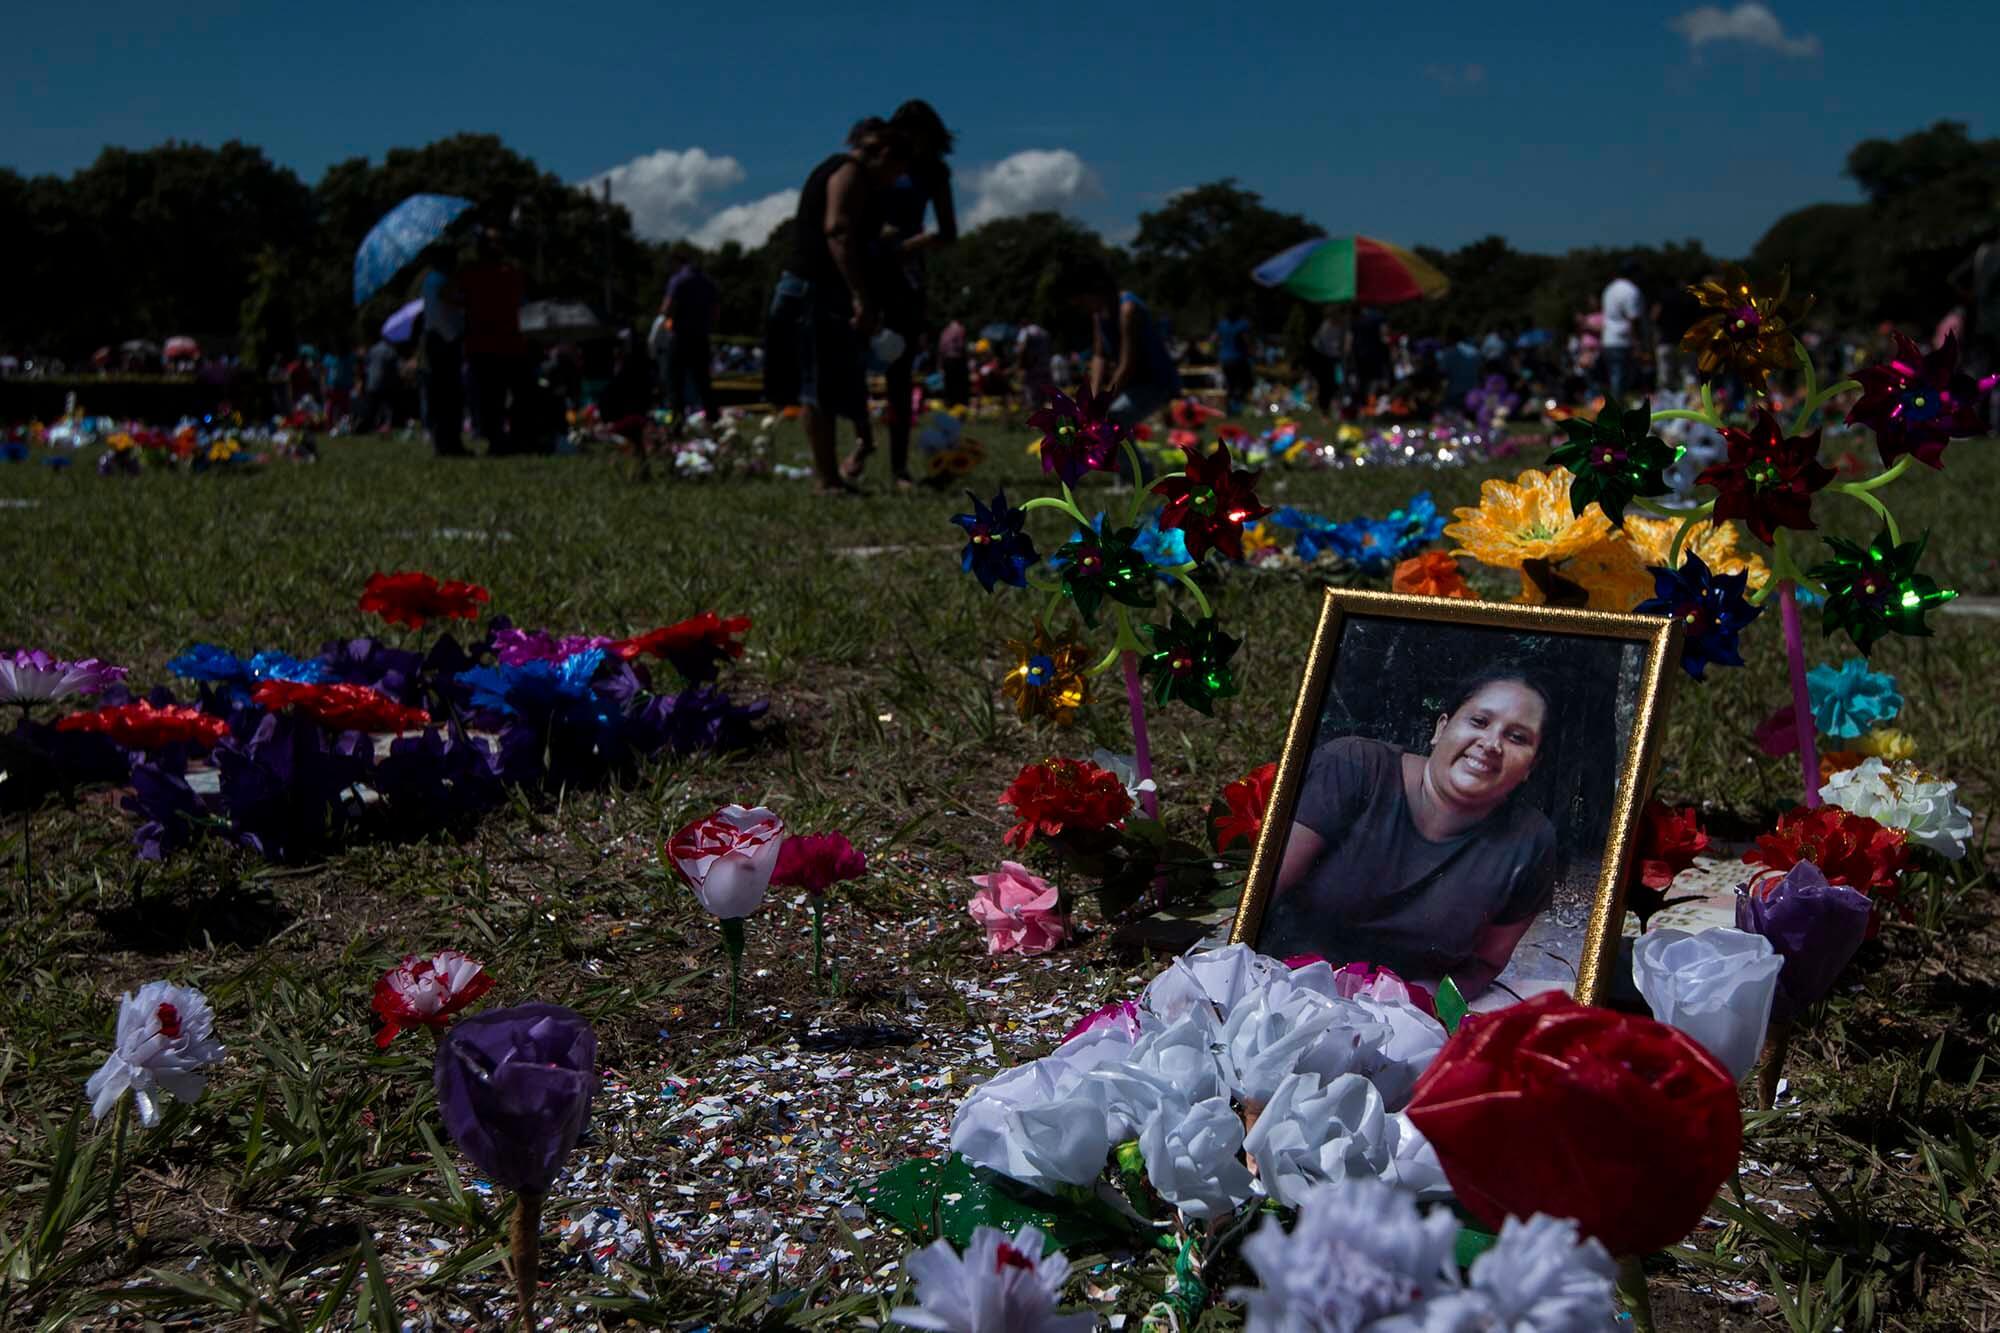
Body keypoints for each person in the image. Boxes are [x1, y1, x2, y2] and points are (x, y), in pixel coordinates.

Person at [1260, 664, 1560, 999]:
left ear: (1530, 767)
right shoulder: (1353, 769)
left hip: (1405, 1023)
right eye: (1479, 721)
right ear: (1441, 728)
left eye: (1516, 737)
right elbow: (1259, 898)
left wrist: (1416, 1005)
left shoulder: (1530, 841)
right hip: (1274, 992)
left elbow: (1483, 966)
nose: (1491, 744)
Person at [784, 117, 911, 495]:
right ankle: (826, 479)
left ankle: (830, 475)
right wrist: (861, 294)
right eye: (896, 171)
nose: (893, 180)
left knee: (824, 382)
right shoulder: (850, 172)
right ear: (884, 155)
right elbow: (837, 230)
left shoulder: (840, 170)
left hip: (815, 287)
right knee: (816, 385)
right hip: (814, 288)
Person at [846, 99, 957, 487]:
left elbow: (947, 231)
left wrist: (906, 246)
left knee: (900, 371)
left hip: (904, 272)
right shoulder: (877, 163)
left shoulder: (933, 173)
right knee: (851, 360)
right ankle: (863, 441)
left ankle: (898, 467)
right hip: (866, 264)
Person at [1062, 255, 1181, 439]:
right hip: (1132, 384)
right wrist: (1092, 399)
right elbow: (1099, 355)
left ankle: (1141, 469)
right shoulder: (1098, 315)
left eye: (1083, 301)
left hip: (1156, 383)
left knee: (1113, 421)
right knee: (1107, 422)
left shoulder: (1128, 311)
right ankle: (1135, 467)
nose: (1082, 309)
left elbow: (1127, 364)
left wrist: (1102, 403)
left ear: (1096, 290)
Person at [461, 224, 531, 455]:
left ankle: (500, 441)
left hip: (490, 346)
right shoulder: (510, 274)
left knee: (492, 401)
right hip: (503, 345)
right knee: (500, 399)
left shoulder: (472, 274)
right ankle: (510, 440)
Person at [661, 245, 722, 435]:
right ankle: (714, 422)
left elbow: (667, 308)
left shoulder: (678, 280)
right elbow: (716, 312)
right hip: (701, 337)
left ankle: (676, 425)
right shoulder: (708, 282)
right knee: (704, 383)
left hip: (680, 337)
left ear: (676, 262)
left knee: (675, 384)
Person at [420, 246, 469, 456]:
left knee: (441, 395)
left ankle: (444, 442)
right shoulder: (440, 281)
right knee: (449, 395)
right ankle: (449, 442)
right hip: (444, 341)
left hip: (436, 340)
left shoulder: (430, 280)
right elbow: (453, 303)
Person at [1600, 259, 1645, 404]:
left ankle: (1614, 404)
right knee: (1621, 377)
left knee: (1614, 376)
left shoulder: (1610, 289)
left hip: (1608, 338)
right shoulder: (1632, 291)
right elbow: (1633, 319)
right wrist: (1637, 343)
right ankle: (1616, 407)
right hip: (1623, 339)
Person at [1214, 306, 1254, 415]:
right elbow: (1246, 340)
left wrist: (1217, 352)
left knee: (1230, 384)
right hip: (1239, 358)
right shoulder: (1242, 324)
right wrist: (1251, 351)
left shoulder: (1222, 325)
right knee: (1246, 383)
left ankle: (1229, 409)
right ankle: (1237, 404)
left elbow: (1214, 340)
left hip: (1225, 359)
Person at [1308, 306, 1347, 415]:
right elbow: (1323, 345)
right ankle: (1324, 407)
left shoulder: (1341, 327)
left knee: (1334, 384)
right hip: (1325, 358)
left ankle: (1330, 406)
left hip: (1333, 359)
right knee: (1326, 384)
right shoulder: (1326, 327)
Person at [1015, 320, 1053, 412]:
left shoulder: (1025, 332)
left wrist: (1020, 366)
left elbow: (1022, 349)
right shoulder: (1044, 332)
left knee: (1031, 393)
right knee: (1043, 394)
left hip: (1031, 367)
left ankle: (1034, 417)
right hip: (1045, 366)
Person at [938, 316, 970, 407]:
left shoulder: (945, 331)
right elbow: (962, 346)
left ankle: (949, 403)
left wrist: (940, 365)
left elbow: (941, 349)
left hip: (946, 360)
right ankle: (961, 403)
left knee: (949, 383)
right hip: (957, 359)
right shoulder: (960, 329)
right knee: (960, 383)